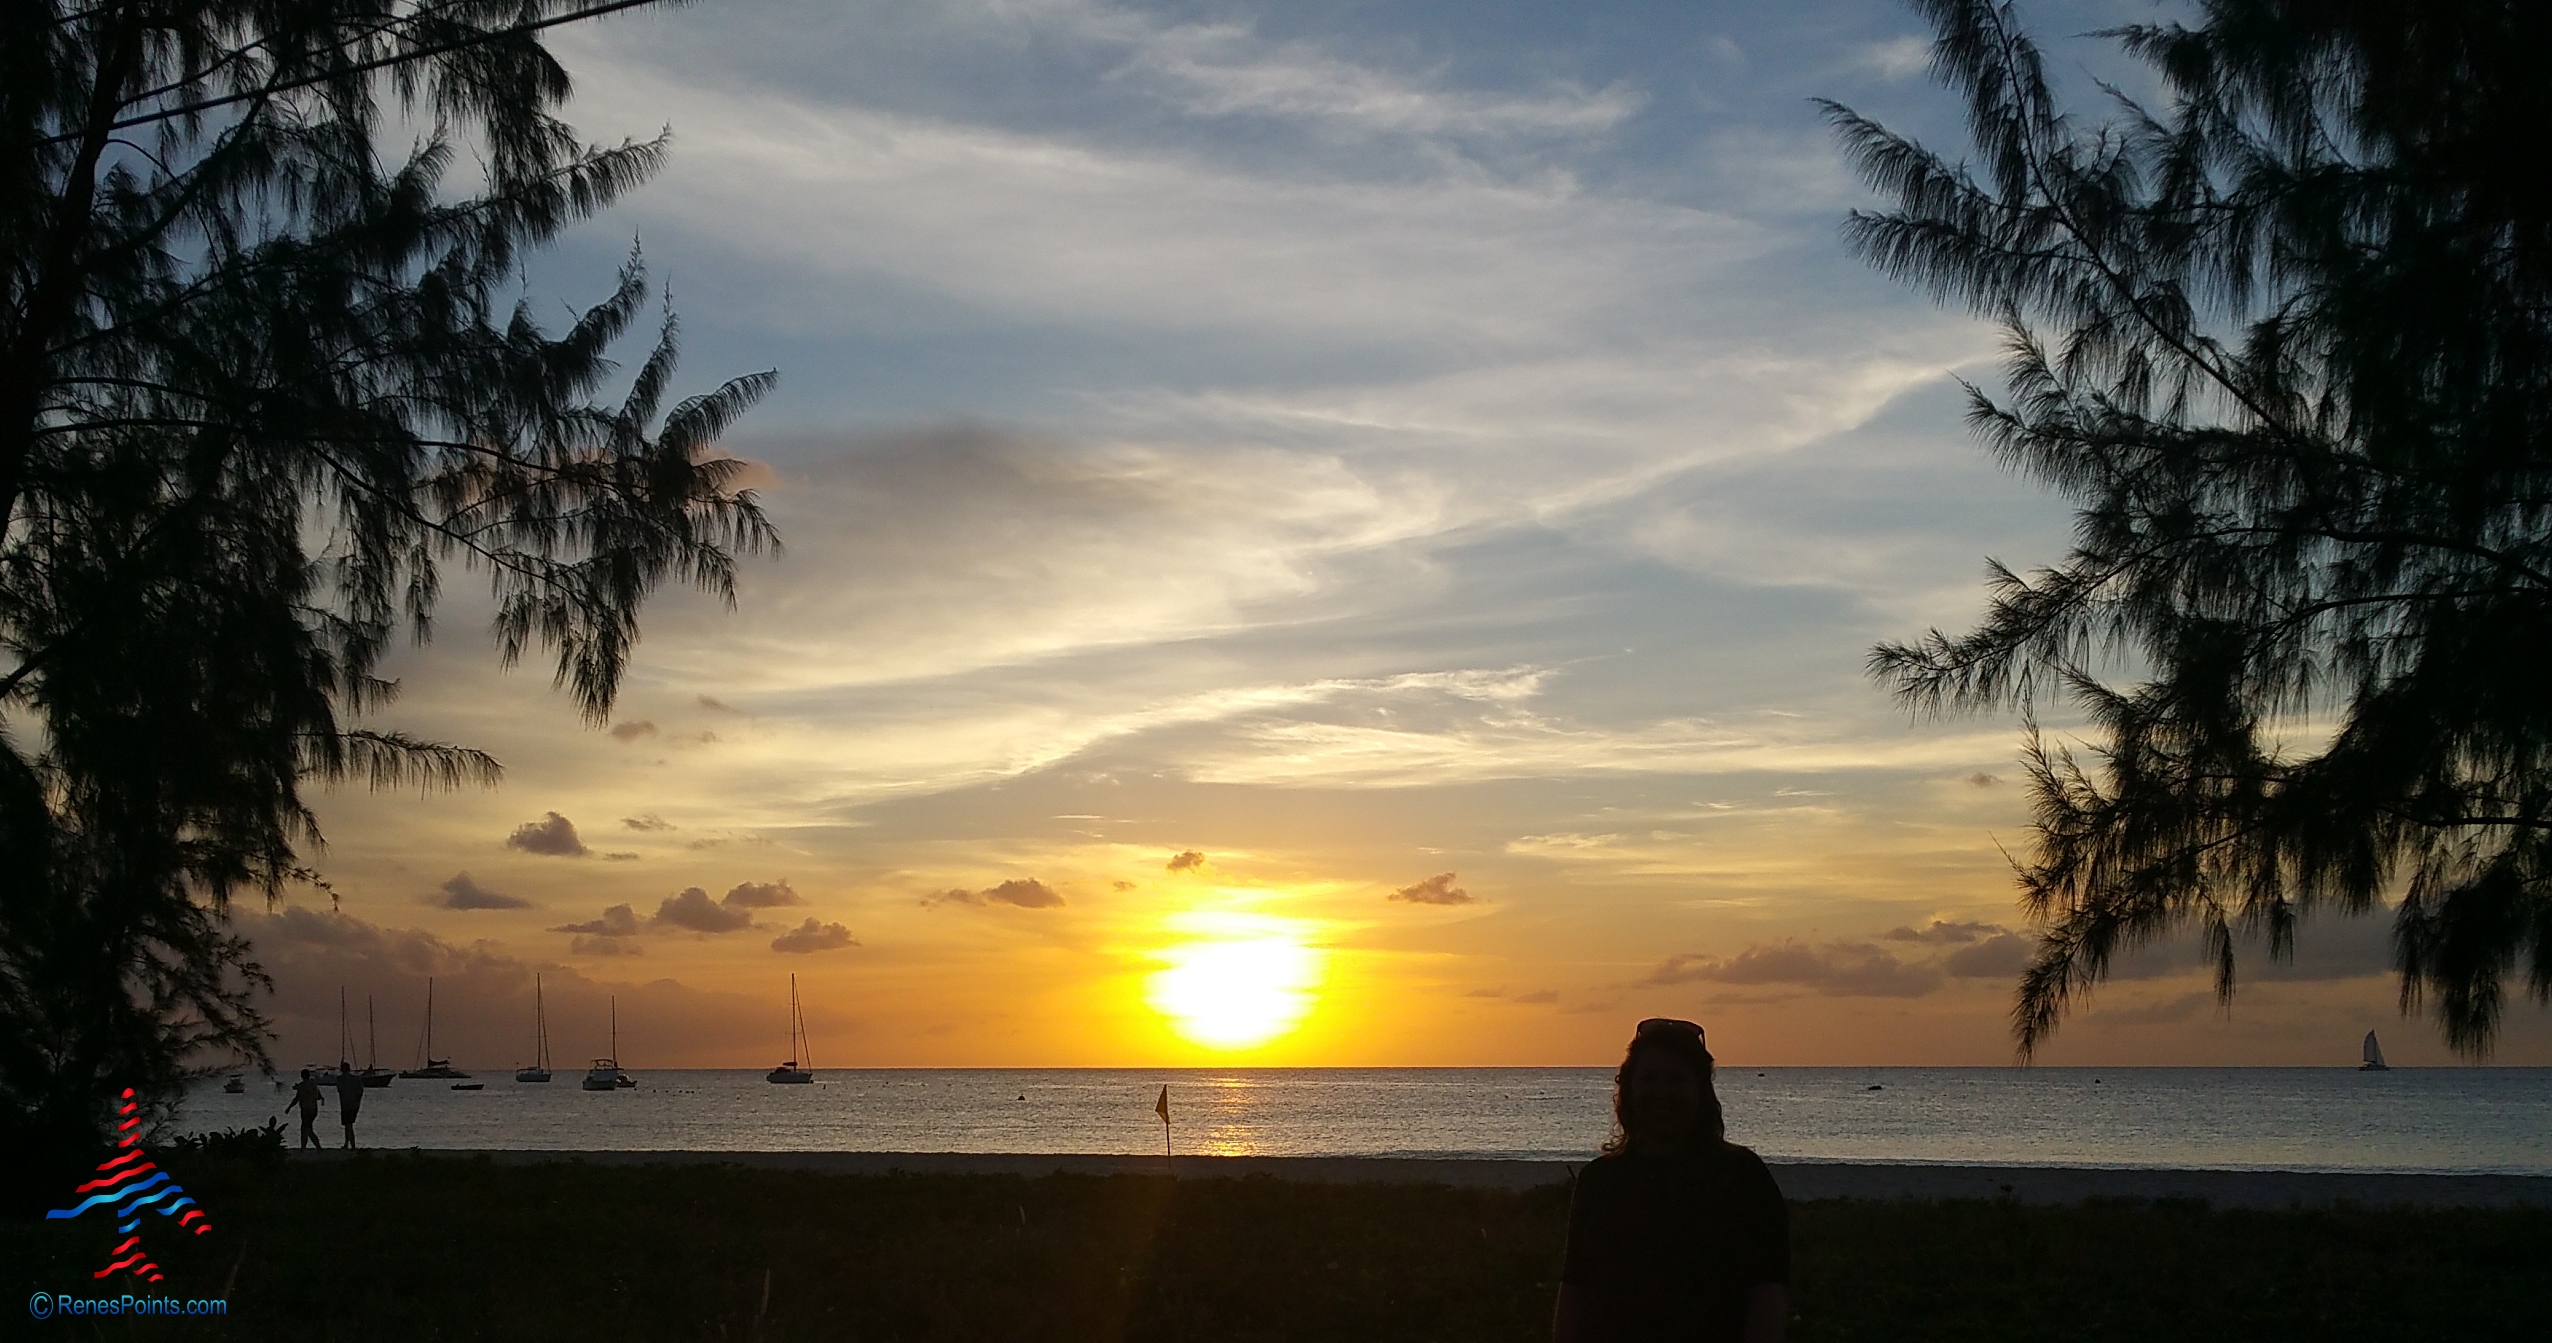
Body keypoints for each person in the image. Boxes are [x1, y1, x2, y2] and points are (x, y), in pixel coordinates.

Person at [1553, 1018, 1788, 1343]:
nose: (1660, 1093)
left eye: (1676, 1080)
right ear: (1630, 1089)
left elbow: (1767, 1293)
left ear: (1700, 1091)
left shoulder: (1743, 1177)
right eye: (1648, 1080)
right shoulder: (1599, 1181)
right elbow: (1575, 1290)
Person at [289, 1068, 324, 1149]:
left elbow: (296, 1099)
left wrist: (289, 1108)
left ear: (302, 1076)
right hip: (314, 1109)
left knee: (306, 1129)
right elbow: (319, 1097)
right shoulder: (314, 1085)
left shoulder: (302, 1086)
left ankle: (316, 1146)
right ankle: (304, 1146)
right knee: (307, 1128)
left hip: (306, 1110)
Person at [334, 1061, 364, 1149]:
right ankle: (347, 1143)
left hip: (345, 1105)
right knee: (348, 1124)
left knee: (348, 1125)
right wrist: (357, 1101)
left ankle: (352, 1145)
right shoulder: (356, 1079)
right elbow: (360, 1091)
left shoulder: (340, 1079)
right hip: (355, 1105)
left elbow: (340, 1091)